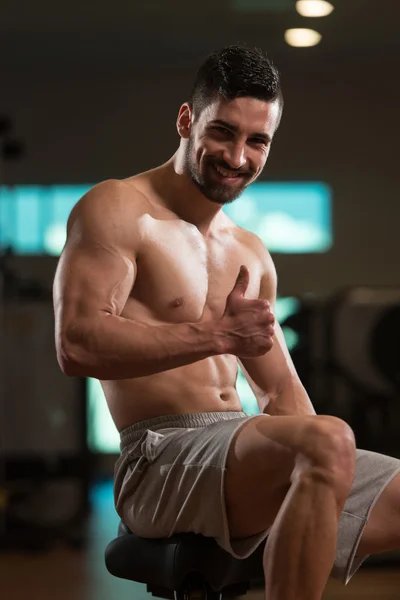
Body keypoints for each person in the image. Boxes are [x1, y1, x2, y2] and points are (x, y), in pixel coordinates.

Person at [53, 45, 400, 600]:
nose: (238, 157)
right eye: (223, 132)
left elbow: (281, 391)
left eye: (257, 141)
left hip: (239, 453)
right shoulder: (118, 209)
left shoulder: (250, 252)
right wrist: (215, 336)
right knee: (326, 440)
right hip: (158, 458)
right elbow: (77, 345)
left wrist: (328, 461)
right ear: (187, 120)